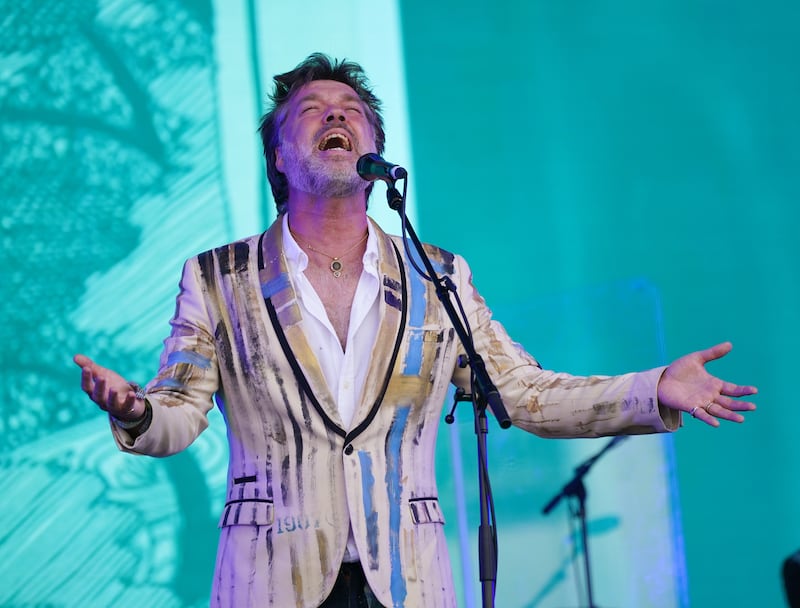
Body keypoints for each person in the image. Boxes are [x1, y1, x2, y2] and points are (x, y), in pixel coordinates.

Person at [73, 52, 757, 608]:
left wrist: (655, 388)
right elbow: (179, 416)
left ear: (375, 153)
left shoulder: (438, 277)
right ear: (279, 157)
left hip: (407, 582)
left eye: (351, 112)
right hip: (270, 578)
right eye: (310, 111)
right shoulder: (219, 278)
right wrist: (135, 410)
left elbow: (522, 392)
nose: (334, 116)